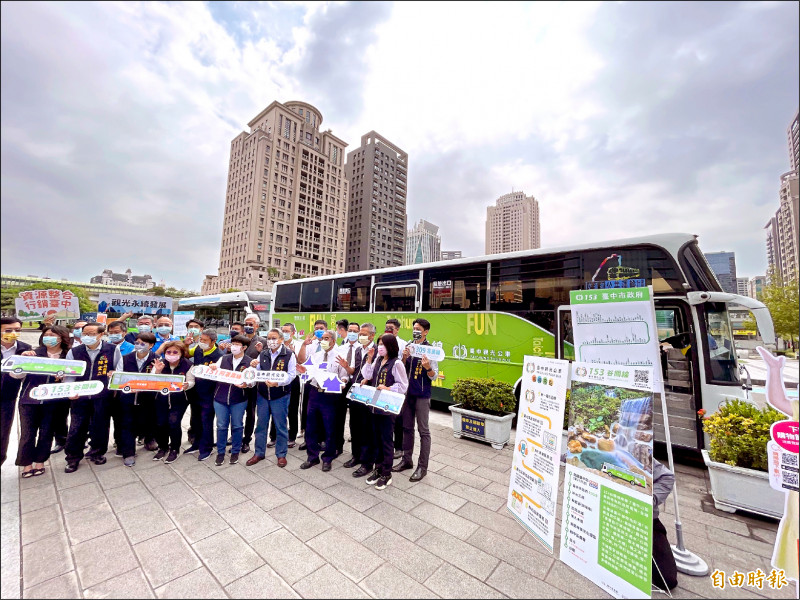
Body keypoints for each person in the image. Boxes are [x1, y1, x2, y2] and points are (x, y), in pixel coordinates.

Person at [12, 325, 71, 477]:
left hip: (54, 401)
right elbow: (15, 375)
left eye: (53, 335)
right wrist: (22, 361)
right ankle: (26, 464)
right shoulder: (33, 353)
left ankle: (40, 462)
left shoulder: (68, 356)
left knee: (47, 432)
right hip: (29, 400)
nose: (49, 338)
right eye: (46, 334)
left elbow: (73, 378)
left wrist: (63, 379)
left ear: (62, 337)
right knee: (27, 433)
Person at [63, 322, 122, 473]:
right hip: (79, 395)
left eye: (91, 334)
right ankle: (72, 458)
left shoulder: (112, 349)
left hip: (102, 395)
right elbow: (69, 373)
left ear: (101, 335)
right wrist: (70, 390)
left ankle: (97, 453)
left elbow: (118, 370)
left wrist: (113, 375)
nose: (87, 337)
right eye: (85, 334)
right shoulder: (75, 351)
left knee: (100, 425)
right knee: (76, 426)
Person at [359, 334, 408, 490]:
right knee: (377, 440)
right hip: (375, 406)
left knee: (386, 441)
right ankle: (378, 469)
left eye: (383, 344)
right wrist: (369, 359)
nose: (380, 346)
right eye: (379, 343)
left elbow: (403, 386)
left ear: (391, 346)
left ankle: (387, 474)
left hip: (387, 408)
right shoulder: (378, 360)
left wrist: (388, 388)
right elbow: (367, 375)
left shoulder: (397, 363)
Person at [393, 318, 438, 482]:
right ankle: (406, 460)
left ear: (426, 331)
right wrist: (404, 358)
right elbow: (401, 371)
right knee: (406, 428)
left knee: (423, 431)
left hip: (422, 395)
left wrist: (428, 368)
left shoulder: (431, 351)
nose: (415, 331)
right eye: (414, 328)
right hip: (407, 394)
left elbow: (434, 377)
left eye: (418, 329)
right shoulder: (409, 346)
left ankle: (422, 467)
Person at [299, 330, 350, 472]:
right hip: (315, 393)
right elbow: (308, 371)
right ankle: (312, 457)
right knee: (311, 427)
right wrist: (303, 371)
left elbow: (344, 376)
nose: (323, 341)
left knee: (330, 428)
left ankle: (328, 458)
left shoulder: (340, 356)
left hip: (330, 395)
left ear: (333, 341)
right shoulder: (316, 355)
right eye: (322, 338)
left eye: (326, 338)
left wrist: (343, 382)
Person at [246, 328, 296, 469]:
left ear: (281, 339)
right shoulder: (263, 354)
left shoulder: (289, 354)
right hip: (262, 395)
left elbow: (292, 375)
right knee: (261, 425)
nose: (271, 341)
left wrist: (278, 383)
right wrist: (253, 367)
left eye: (274, 338)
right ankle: (259, 453)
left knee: (280, 426)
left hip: (280, 395)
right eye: (269, 338)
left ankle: (281, 454)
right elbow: (258, 372)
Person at [114, 332, 158, 467]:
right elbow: (119, 377)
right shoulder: (126, 358)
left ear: (151, 345)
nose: (139, 346)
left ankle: (148, 440)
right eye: (137, 343)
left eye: (143, 343)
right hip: (127, 397)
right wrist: (125, 386)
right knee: (127, 424)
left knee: (147, 421)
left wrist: (158, 371)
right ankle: (128, 453)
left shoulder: (156, 359)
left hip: (147, 399)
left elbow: (155, 381)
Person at [211, 335, 252, 466]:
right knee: (221, 426)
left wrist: (247, 384)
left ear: (244, 347)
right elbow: (213, 372)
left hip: (239, 399)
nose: (233, 347)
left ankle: (235, 451)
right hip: (220, 398)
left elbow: (253, 381)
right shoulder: (223, 358)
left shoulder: (249, 362)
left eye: (237, 344)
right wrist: (212, 369)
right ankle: (221, 452)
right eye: (232, 344)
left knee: (237, 425)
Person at [151, 341, 195, 464]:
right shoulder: (160, 363)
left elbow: (191, 381)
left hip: (179, 400)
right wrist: (157, 371)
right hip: (161, 399)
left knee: (174, 423)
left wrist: (187, 385)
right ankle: (163, 447)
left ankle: (175, 449)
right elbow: (152, 380)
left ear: (181, 353)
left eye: (175, 352)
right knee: (160, 423)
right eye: (168, 352)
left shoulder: (188, 365)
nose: (171, 354)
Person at [1, 317, 33, 466]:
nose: (13, 333)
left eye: (17, 330)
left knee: (3, 432)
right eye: (8, 330)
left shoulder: (25, 349)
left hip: (8, 397)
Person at [186, 329, 222, 461]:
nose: (201, 342)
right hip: (195, 391)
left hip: (209, 393)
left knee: (206, 420)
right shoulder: (198, 350)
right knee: (195, 420)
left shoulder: (218, 356)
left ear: (213, 341)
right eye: (201, 339)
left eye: (205, 340)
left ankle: (207, 448)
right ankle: (196, 444)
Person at [344, 323, 375, 474]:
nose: (361, 337)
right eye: (360, 334)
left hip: (368, 394)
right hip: (355, 391)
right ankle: (355, 455)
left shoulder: (377, 351)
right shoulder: (358, 350)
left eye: (364, 334)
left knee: (366, 428)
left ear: (372, 336)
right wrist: (346, 367)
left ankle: (367, 462)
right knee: (354, 426)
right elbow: (355, 370)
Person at [268, 323, 303, 449]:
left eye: (287, 331)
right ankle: (274, 436)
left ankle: (291, 436)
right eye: (282, 331)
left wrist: (294, 353)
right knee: (275, 408)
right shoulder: (277, 345)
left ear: (293, 332)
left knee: (292, 408)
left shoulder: (299, 344)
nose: (284, 333)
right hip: (276, 380)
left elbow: (302, 363)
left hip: (293, 379)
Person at [297, 319, 328, 449]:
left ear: (326, 329)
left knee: (323, 412)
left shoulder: (330, 344)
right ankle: (308, 439)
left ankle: (323, 439)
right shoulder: (310, 344)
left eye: (321, 328)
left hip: (324, 382)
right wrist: (304, 345)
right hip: (309, 380)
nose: (319, 330)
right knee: (307, 412)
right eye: (316, 328)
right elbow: (301, 360)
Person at [334, 321, 361, 457]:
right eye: (350, 330)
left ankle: (356, 449)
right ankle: (338, 445)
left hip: (356, 385)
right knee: (339, 416)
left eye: (355, 331)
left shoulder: (362, 349)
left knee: (355, 419)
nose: (352, 333)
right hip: (342, 384)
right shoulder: (341, 348)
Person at [652, 459, 679, 591]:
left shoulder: (635, 450)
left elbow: (666, 477)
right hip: (604, 517)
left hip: (644, 522)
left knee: (666, 579)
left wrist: (651, 499)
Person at [240, 314, 265, 453]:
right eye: (246, 324)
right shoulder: (238, 340)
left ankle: (247, 439)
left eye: (251, 324)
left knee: (250, 412)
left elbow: (267, 359)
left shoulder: (262, 341)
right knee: (235, 412)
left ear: (257, 326)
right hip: (238, 381)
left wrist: (262, 353)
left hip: (254, 383)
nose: (248, 326)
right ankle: (235, 436)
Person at [384, 318, 407, 459]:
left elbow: (403, 367)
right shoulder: (382, 342)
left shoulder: (403, 344)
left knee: (398, 419)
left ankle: (399, 447)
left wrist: (404, 358)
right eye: (386, 327)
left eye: (391, 328)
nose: (388, 329)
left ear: (397, 330)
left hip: (395, 386)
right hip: (383, 385)